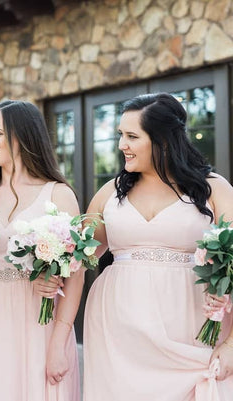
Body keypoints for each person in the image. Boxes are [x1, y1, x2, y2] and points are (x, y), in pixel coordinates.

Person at [83, 93, 233, 400]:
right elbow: (76, 258)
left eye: (132, 136)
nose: (122, 144)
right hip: (116, 330)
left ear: (163, 140)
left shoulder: (213, 188)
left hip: (190, 323)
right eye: (120, 135)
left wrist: (231, 344)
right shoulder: (110, 193)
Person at [0, 100, 82, 401]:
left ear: (22, 136)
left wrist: (59, 342)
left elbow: (76, 276)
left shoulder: (59, 195)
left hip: (39, 319)